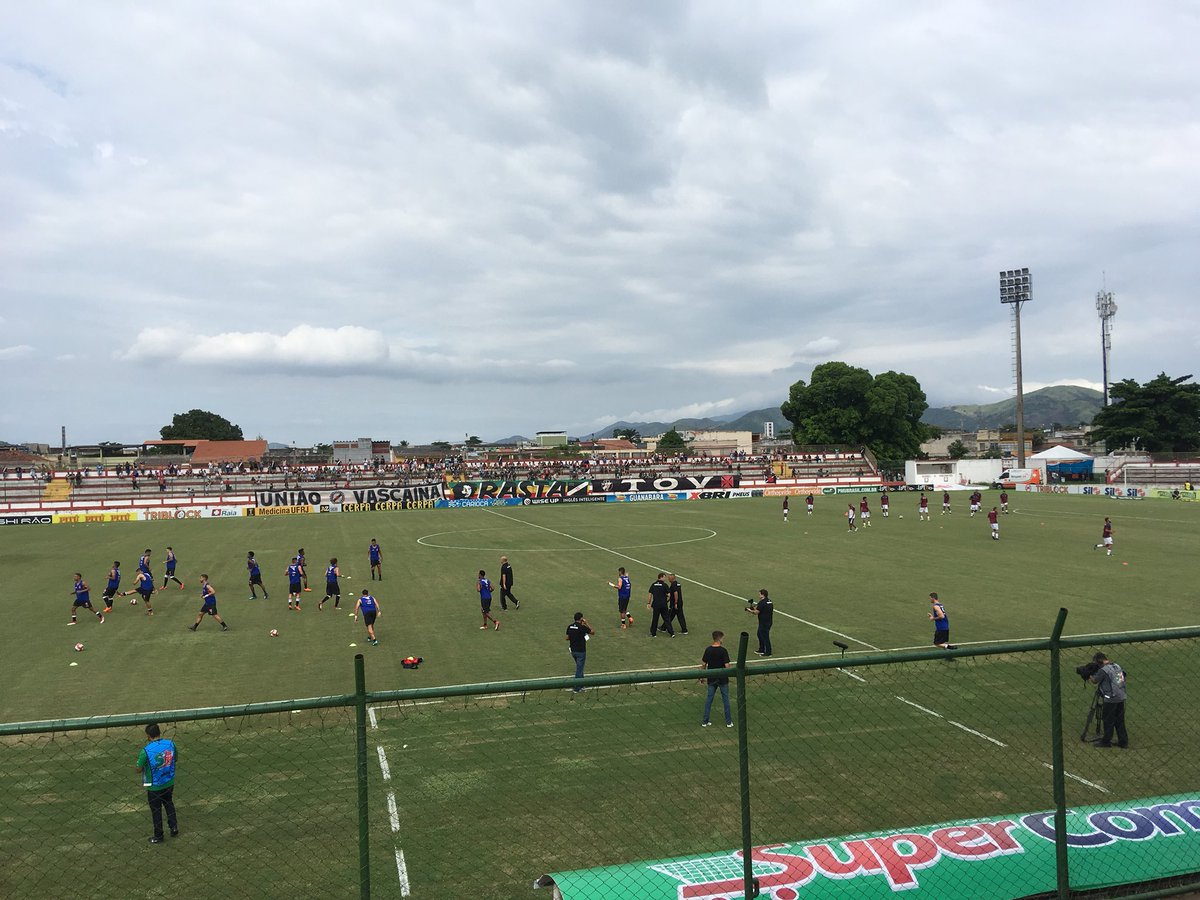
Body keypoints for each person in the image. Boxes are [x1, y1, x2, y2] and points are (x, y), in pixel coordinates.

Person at [137, 723, 178, 844]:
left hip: (154, 787)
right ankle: (174, 827)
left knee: (156, 810)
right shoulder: (170, 744)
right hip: (169, 782)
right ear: (159, 732)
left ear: (148, 735)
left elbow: (138, 769)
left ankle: (159, 835)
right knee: (169, 803)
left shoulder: (146, 751)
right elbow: (175, 759)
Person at [1089, 652, 1128, 748]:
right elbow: (1122, 676)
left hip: (1110, 699)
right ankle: (1123, 741)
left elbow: (1095, 680)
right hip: (1120, 696)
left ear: (1098, 661)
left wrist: (1088, 675)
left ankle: (1106, 741)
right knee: (1120, 720)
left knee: (1107, 720)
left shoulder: (1104, 670)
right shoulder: (1117, 666)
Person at [701, 631, 733, 727]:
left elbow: (703, 664)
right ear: (720, 638)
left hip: (711, 678)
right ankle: (728, 722)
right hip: (722, 679)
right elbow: (727, 666)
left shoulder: (708, 650)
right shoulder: (723, 651)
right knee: (726, 700)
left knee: (709, 700)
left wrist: (702, 677)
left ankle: (705, 721)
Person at [566, 612, 594, 692]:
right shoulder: (582, 627)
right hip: (581, 651)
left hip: (573, 651)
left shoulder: (570, 626)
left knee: (580, 668)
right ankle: (577, 687)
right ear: (581, 619)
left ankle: (582, 684)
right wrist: (586, 623)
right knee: (579, 669)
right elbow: (592, 632)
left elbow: (567, 638)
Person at [647, 573, 674, 637]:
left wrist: (648, 603)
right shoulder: (664, 585)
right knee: (666, 619)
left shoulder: (653, 584)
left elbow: (650, 594)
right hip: (663, 604)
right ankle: (671, 633)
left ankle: (653, 633)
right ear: (661, 577)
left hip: (656, 604)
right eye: (664, 577)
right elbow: (669, 595)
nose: (665, 579)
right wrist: (667, 600)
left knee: (655, 619)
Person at [748, 589, 773, 656]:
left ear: (762, 595)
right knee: (759, 634)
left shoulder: (762, 603)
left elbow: (756, 612)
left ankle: (768, 652)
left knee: (765, 637)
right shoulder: (769, 601)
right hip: (768, 621)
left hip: (764, 623)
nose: (759, 595)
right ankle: (761, 649)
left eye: (759, 594)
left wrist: (750, 610)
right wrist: (753, 608)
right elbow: (758, 607)